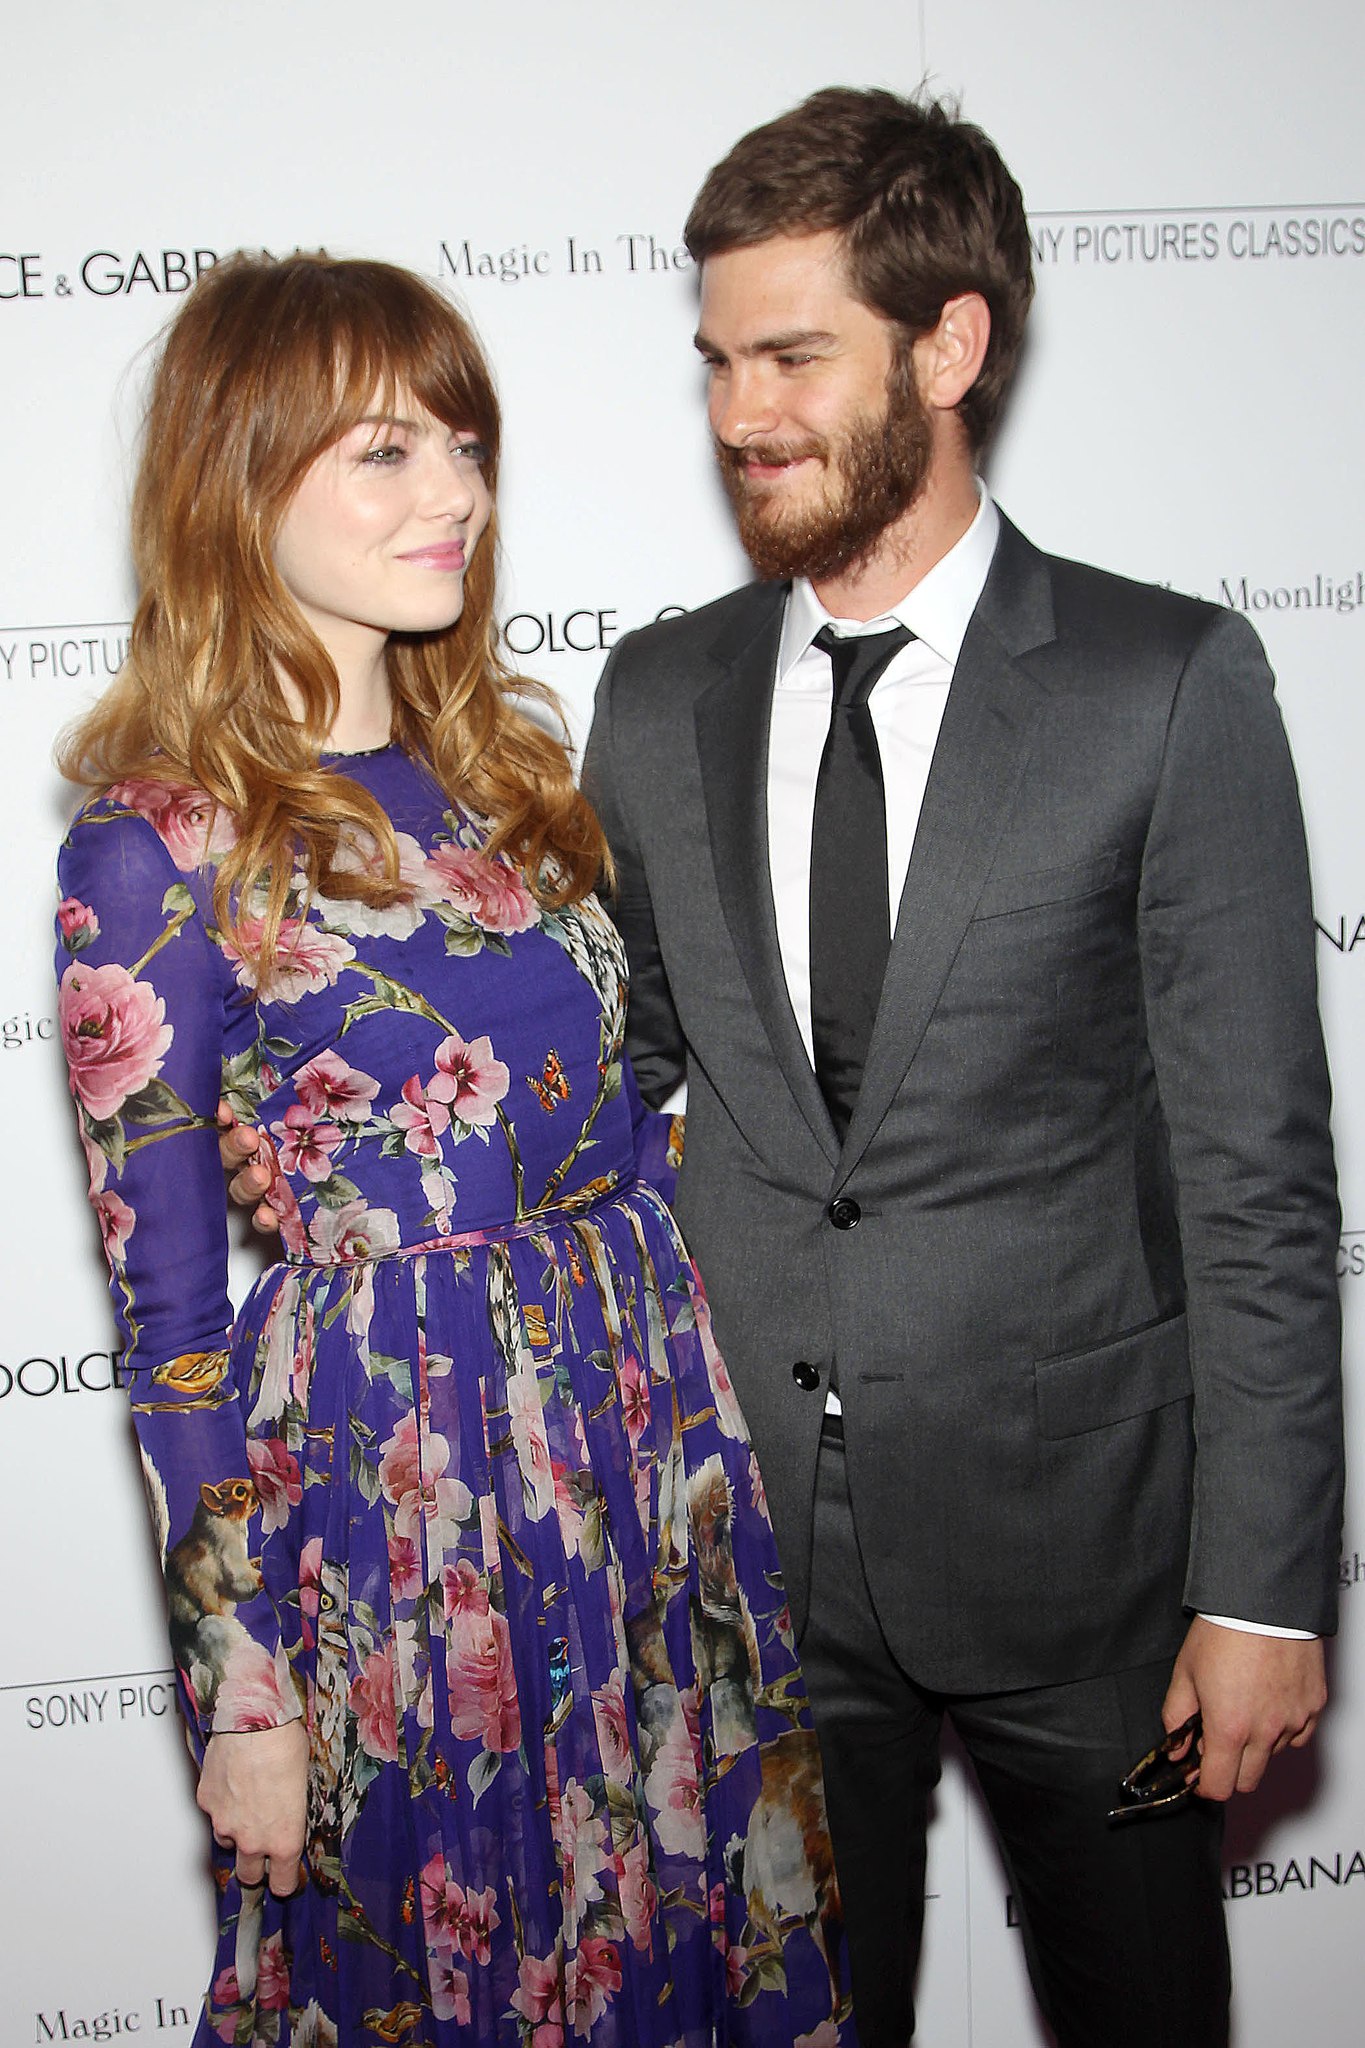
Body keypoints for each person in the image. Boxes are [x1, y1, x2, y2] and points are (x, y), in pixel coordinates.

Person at [575, 89, 1343, 2048]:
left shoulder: (1160, 683)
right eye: (716, 361)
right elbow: (617, 1075)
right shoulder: (654, 695)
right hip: (749, 1556)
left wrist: (1261, 1589)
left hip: (1087, 1561)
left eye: (790, 356)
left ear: (946, 345)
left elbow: (1254, 1172)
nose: (739, 412)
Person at [55, 252, 854, 2048]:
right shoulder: (155, 847)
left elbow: (614, 1113)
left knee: (686, 1933)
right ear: (239, 478)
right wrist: (239, 1692)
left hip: (640, 1439)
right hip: (406, 1499)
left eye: (465, 446)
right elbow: (170, 1326)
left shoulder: (506, 772)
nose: (455, 496)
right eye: (385, 453)